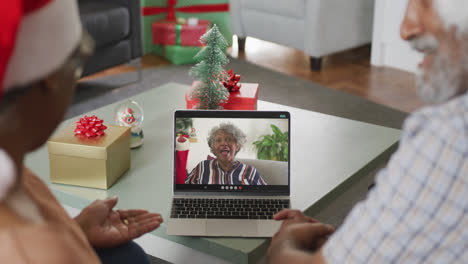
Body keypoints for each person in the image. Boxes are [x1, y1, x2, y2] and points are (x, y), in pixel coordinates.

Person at [267, 0, 468, 263]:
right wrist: (352, 240)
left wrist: (283, 245)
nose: (405, 30)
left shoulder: (450, 136)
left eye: (427, 2)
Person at [0, 0, 162, 263]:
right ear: (50, 79)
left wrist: (78, 229)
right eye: (77, 65)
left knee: (129, 255)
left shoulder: (20, 173)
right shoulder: (35, 251)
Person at [185, 123, 267, 185]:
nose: (224, 143)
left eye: (229, 140)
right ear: (213, 147)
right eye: (218, 140)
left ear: (237, 146)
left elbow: (267, 195)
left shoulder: (250, 171)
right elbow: (184, 192)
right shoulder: (202, 168)